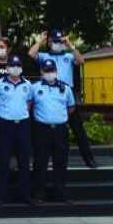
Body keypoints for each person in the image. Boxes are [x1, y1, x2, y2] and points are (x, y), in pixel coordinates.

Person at [29, 29, 97, 168]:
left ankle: (89, 159)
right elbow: (31, 54)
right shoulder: (44, 56)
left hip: (66, 95)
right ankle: (40, 160)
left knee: (78, 130)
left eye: (60, 41)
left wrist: (70, 45)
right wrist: (41, 41)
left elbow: (81, 61)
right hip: (48, 96)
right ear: (49, 42)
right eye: (55, 41)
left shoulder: (68, 56)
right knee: (42, 131)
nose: (58, 44)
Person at [0, 55, 35, 205]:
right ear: (7, 68)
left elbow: (29, 104)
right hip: (5, 125)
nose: (15, 68)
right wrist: (0, 120)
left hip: (22, 125)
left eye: (18, 66)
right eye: (12, 66)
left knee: (24, 161)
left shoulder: (28, 85)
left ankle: (25, 195)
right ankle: (0, 195)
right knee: (3, 161)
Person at [31, 59, 77, 203]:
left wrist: (58, 117)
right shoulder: (34, 88)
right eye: (46, 71)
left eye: (51, 70)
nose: (49, 73)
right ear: (41, 72)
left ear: (56, 71)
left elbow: (71, 107)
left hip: (60, 130)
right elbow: (30, 105)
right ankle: (39, 194)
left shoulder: (65, 88)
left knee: (61, 161)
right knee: (40, 162)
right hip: (42, 129)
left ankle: (60, 193)